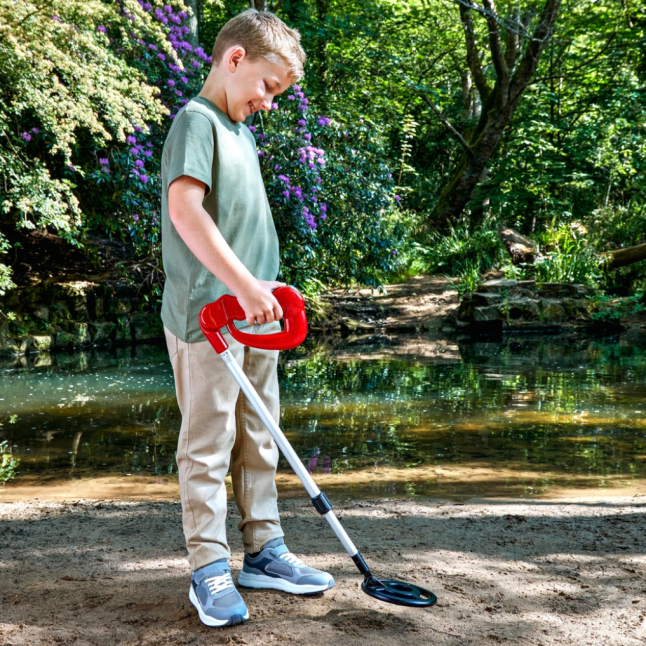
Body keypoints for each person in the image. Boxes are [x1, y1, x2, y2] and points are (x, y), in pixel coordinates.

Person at [161, 8, 334, 628]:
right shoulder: (197, 122)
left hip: (257, 317)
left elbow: (241, 226)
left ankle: (264, 552)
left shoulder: (242, 132)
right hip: (207, 317)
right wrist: (239, 285)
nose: (269, 101)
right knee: (208, 445)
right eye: (267, 85)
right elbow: (188, 212)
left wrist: (266, 288)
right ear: (234, 60)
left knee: (260, 437)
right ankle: (209, 568)